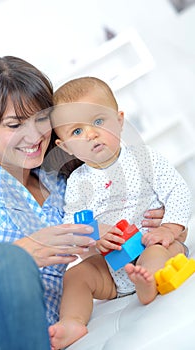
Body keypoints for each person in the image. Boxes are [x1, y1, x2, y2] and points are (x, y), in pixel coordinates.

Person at [0, 57, 164, 349]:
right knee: (8, 263)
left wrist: (150, 218)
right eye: (14, 124)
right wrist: (23, 252)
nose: (33, 136)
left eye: (41, 119)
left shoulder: (66, 185)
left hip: (35, 335)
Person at [49, 76, 191, 349]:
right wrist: (94, 239)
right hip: (112, 269)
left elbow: (178, 192)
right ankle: (72, 320)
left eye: (98, 122)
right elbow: (73, 224)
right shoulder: (77, 183)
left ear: (120, 121)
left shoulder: (144, 159)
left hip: (155, 246)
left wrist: (168, 228)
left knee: (157, 250)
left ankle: (148, 284)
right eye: (77, 132)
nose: (90, 134)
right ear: (65, 147)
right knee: (76, 275)